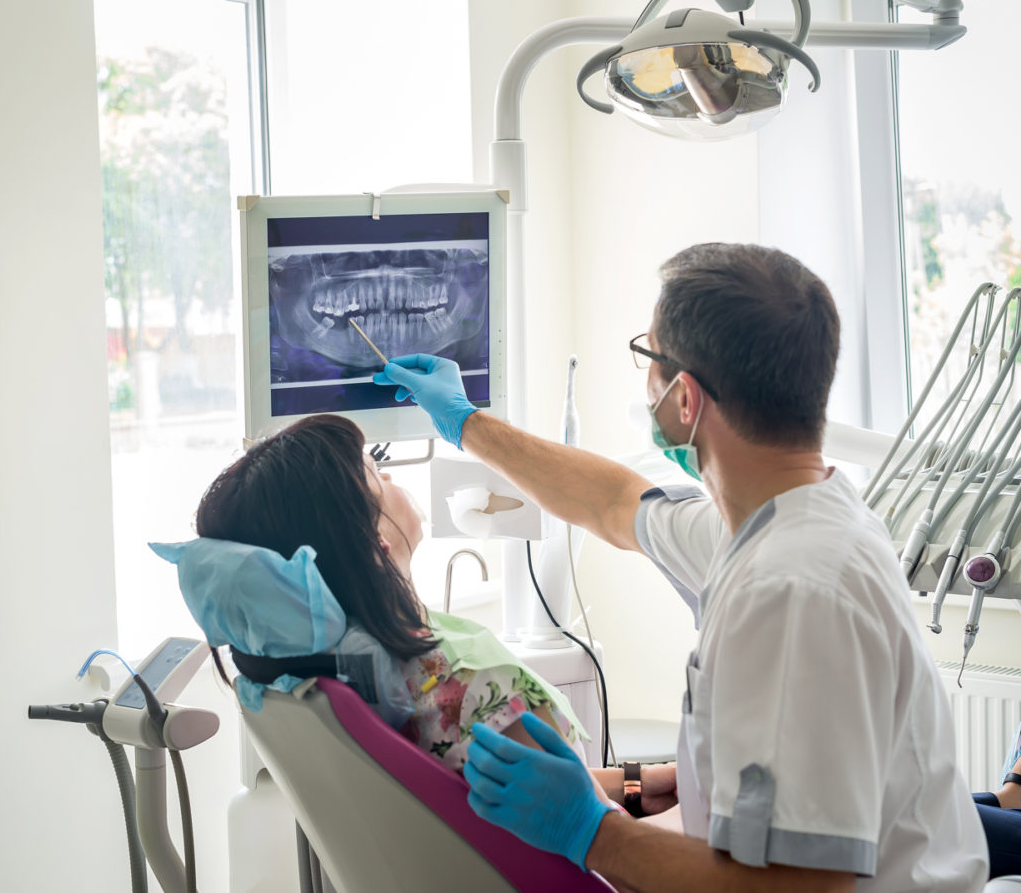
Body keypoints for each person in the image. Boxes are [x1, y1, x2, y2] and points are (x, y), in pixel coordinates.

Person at [372, 242, 990, 892]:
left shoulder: (792, 590)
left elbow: (803, 887)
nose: (647, 382)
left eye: (650, 357)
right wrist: (467, 423)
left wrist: (593, 831)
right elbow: (610, 501)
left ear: (685, 399)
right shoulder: (780, 520)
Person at [182, 412, 623, 781]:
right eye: (375, 473)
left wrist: (640, 782)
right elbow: (598, 835)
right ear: (374, 542)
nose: (390, 475)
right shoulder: (479, 691)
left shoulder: (345, 682)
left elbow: (527, 795)